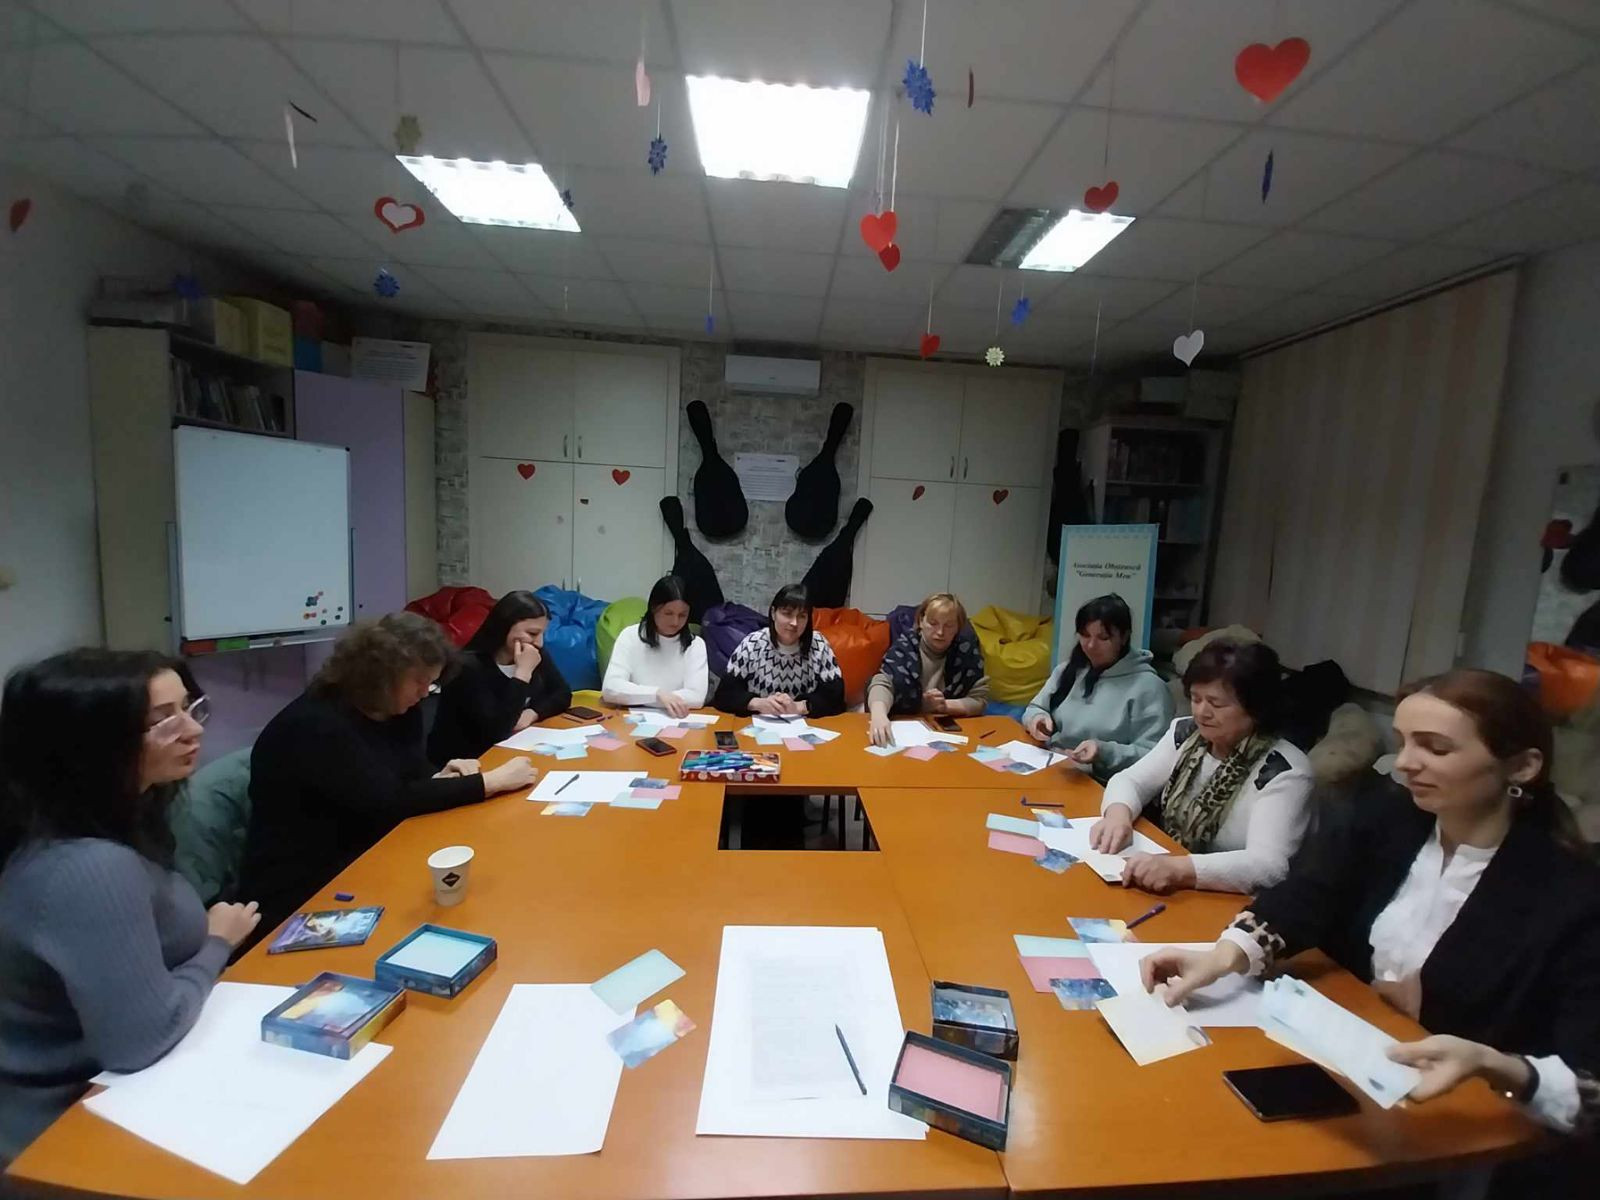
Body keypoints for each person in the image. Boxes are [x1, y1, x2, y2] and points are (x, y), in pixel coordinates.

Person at [1140, 669, 1600, 1195]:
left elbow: (1587, 1083)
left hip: (1464, 1138)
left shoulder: (1570, 896)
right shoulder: (1394, 816)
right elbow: (1311, 893)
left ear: (1521, 766)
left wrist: (1493, 1064)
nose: (1404, 763)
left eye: (1435, 748)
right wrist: (1226, 954)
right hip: (1352, 1084)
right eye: (1404, 742)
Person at [0, 650, 262, 1164]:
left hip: (115, 1091)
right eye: (162, 722)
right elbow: (140, 1041)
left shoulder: (118, 816)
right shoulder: (89, 866)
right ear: (91, 745)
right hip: (61, 1129)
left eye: (190, 708)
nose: (193, 730)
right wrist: (217, 944)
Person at [240, 613, 537, 940]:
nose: (425, 693)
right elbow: (389, 802)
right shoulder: (315, 725)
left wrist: (438, 776)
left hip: (373, 852)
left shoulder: (397, 710)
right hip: (306, 887)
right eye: (419, 681)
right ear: (379, 674)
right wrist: (489, 782)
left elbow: (407, 774)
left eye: (432, 682)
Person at [1089, 639, 1313, 894]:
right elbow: (1130, 780)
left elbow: (1268, 866)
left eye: (1216, 704)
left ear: (1255, 709)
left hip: (1234, 900)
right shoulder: (1186, 735)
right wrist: (1118, 816)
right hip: (1169, 880)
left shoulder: (1284, 771)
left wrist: (1180, 869)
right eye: (1196, 699)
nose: (1202, 713)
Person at [1022, 594, 1173, 782]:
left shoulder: (1149, 687)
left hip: (1104, 784)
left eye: (1103, 638)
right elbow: (1035, 708)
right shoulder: (1069, 670)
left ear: (1124, 637)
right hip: (1055, 768)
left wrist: (1103, 752)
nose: (1091, 645)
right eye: (1085, 635)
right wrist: (1037, 719)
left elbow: (1155, 756)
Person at [427, 590, 572, 765]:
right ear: (505, 627)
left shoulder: (534, 653)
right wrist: (522, 674)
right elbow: (497, 730)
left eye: (542, 634)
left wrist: (533, 713)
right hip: (467, 760)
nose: (539, 643)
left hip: (512, 748)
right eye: (532, 633)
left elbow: (562, 693)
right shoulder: (467, 667)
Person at [867, 592, 989, 747]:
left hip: (949, 733)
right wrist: (879, 716)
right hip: (906, 728)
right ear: (921, 621)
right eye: (933, 623)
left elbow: (979, 700)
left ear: (958, 627)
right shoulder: (904, 648)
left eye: (949, 626)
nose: (940, 632)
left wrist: (943, 706)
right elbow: (881, 684)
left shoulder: (967, 652)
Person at [712, 583, 846, 718]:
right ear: (773, 613)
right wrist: (757, 703)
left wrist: (799, 707)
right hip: (758, 722)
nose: (794, 623)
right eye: (787, 614)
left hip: (804, 723)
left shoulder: (819, 645)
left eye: (802, 616)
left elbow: (836, 699)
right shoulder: (752, 644)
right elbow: (724, 695)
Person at [601, 574, 709, 719]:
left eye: (682, 615)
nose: (675, 622)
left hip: (677, 720)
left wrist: (642, 697)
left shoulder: (695, 645)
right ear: (653, 608)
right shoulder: (630, 636)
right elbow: (611, 688)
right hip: (630, 719)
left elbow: (696, 697)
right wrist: (657, 695)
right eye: (668, 613)